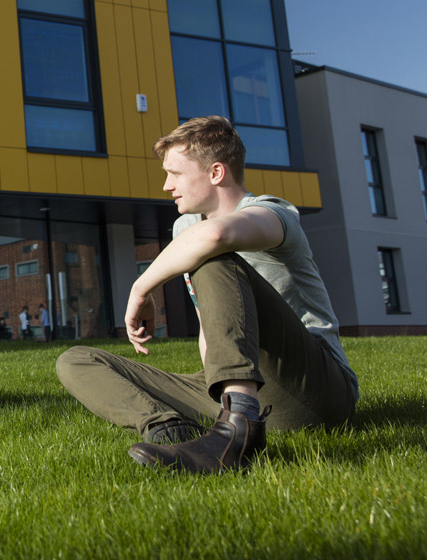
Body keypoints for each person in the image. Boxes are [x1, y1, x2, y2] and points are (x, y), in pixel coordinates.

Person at [56, 116, 358, 474]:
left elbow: (213, 239)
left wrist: (142, 287)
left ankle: (237, 429)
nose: (167, 186)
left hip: (315, 391)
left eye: (176, 174)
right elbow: (211, 327)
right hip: (239, 385)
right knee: (75, 360)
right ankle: (167, 425)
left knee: (212, 258)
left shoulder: (274, 213)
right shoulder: (186, 226)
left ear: (216, 173)